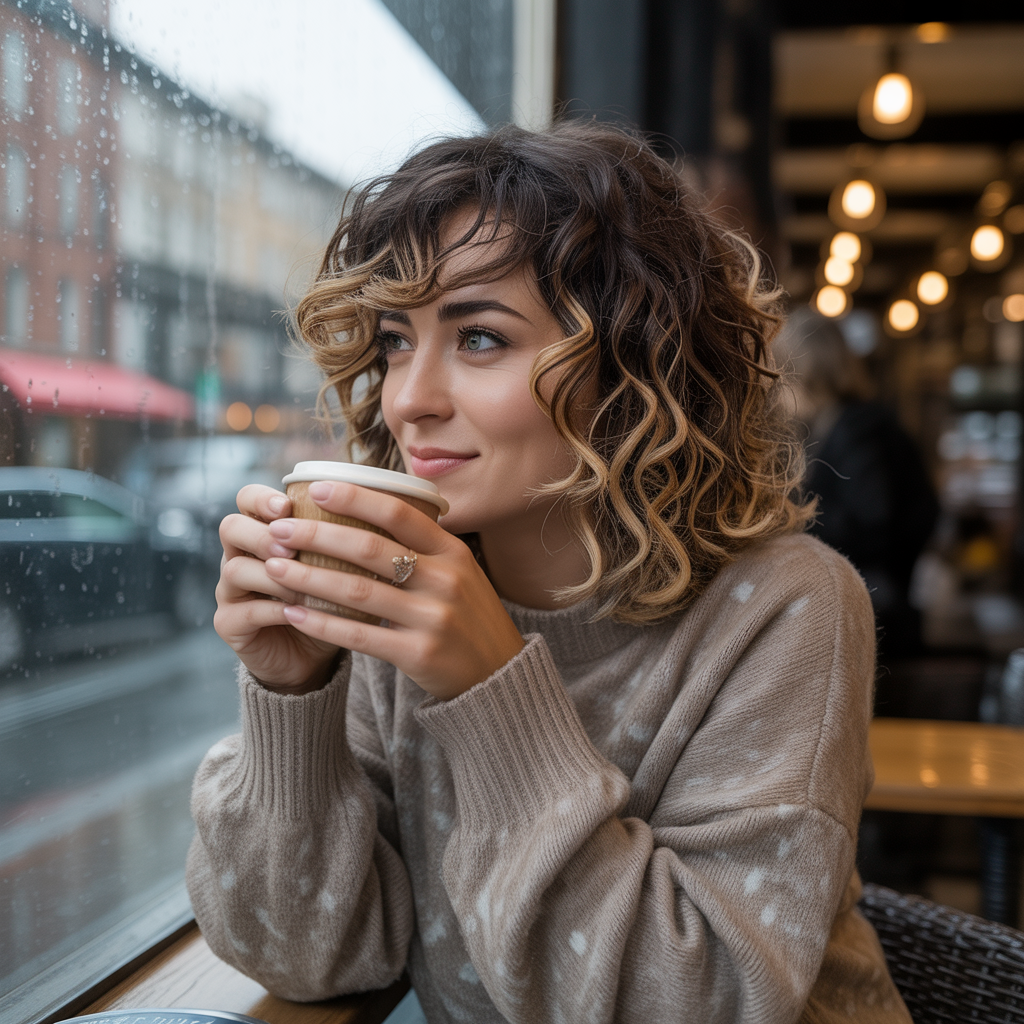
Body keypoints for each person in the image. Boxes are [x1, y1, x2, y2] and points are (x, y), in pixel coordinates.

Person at [187, 122, 911, 1024]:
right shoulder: (403, 593)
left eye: (480, 338)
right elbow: (308, 957)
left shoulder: (789, 608)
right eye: (394, 342)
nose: (410, 397)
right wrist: (289, 696)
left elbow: (696, 1004)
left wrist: (487, 685)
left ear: (635, 362)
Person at [775, 309, 939, 661]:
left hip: (875, 612)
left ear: (805, 372)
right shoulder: (849, 422)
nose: (776, 392)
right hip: (879, 603)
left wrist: (789, 522)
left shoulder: (855, 429)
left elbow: (872, 523)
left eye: (781, 377)